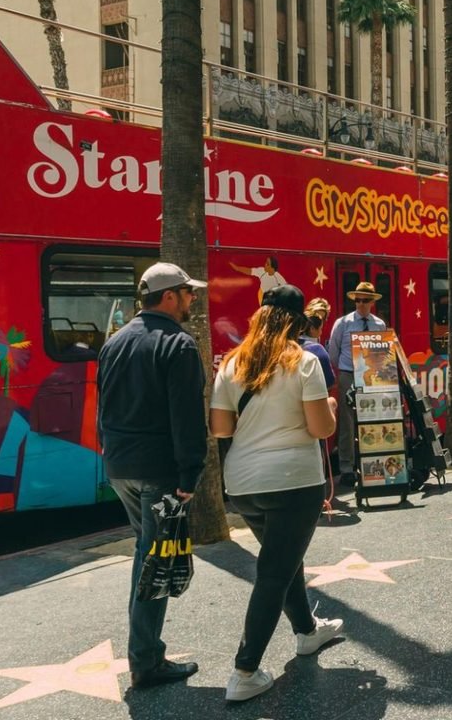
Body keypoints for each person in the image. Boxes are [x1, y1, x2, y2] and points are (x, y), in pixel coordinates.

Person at [211, 285, 341, 703]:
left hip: (244, 484)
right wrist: (332, 413)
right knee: (274, 572)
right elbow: (321, 429)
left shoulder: (232, 364)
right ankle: (245, 670)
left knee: (283, 559)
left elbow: (221, 429)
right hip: (295, 482)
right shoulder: (305, 363)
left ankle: (306, 633)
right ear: (299, 322)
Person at [95, 262, 207, 689]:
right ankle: (145, 660)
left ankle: (147, 652)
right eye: (187, 292)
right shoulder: (178, 344)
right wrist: (190, 473)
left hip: (120, 464)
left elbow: (103, 405)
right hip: (159, 470)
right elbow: (187, 417)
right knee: (154, 562)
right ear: (169, 297)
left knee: (148, 554)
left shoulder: (116, 341)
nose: (192, 299)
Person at [326, 282, 387, 483]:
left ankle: (371, 463)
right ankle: (346, 468)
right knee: (347, 422)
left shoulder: (379, 325)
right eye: (358, 300)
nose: (361, 304)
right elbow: (333, 353)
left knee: (371, 419)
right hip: (348, 374)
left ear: (372, 302)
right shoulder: (342, 323)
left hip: (371, 376)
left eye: (365, 300)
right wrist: (346, 370)